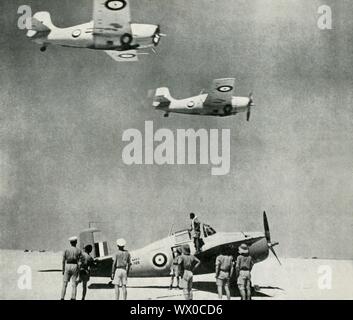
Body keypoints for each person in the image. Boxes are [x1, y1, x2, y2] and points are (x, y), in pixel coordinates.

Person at [61, 236, 82, 300]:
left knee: (64, 284)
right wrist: (79, 270)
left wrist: (63, 269)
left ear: (70, 242)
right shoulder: (78, 250)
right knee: (74, 284)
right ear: (76, 242)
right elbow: (80, 262)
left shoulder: (66, 250)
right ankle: (73, 298)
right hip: (75, 266)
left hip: (67, 265)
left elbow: (63, 261)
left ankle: (62, 298)